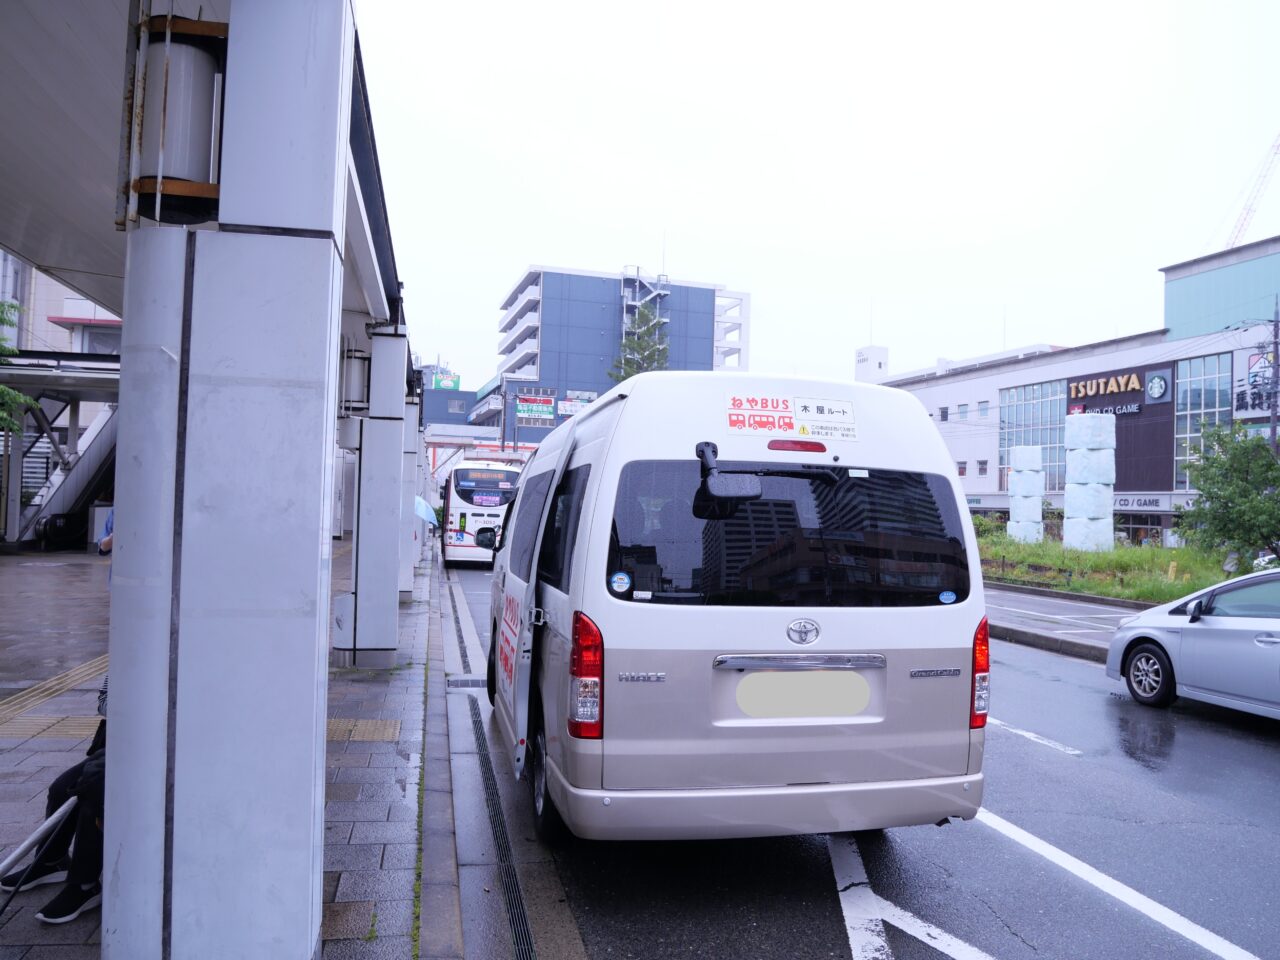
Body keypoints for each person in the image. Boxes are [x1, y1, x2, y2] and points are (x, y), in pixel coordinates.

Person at [0, 509, 112, 923]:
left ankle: (84, 883)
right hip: (120, 736)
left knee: (94, 786)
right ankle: (50, 861)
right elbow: (106, 703)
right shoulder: (135, 639)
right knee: (62, 787)